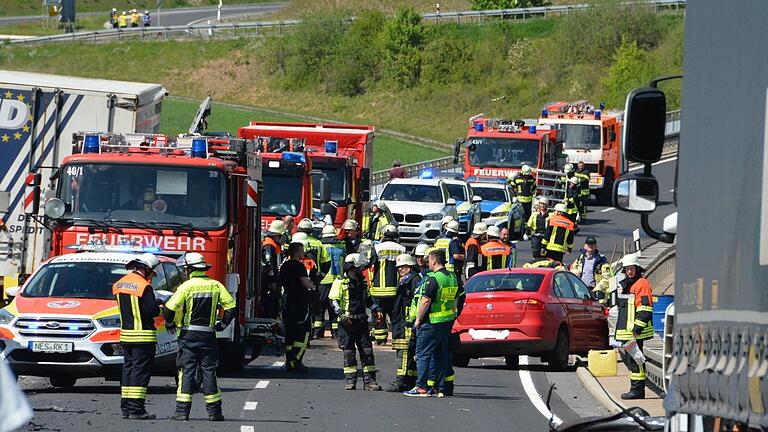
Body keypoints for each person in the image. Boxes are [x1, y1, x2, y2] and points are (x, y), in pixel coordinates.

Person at [164, 253, 236, 422]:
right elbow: (231, 307)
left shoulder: (186, 287)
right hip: (209, 335)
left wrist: (169, 324)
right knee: (209, 371)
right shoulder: (216, 285)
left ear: (189, 269)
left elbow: (169, 309)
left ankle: (182, 412)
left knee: (187, 371)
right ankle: (215, 413)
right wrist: (223, 325)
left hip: (188, 335)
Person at [404, 250, 462, 398]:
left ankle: (421, 386)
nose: (427, 263)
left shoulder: (434, 279)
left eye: (429, 260)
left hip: (432, 321)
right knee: (441, 355)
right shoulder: (453, 277)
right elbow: (457, 298)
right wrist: (454, 315)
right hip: (447, 321)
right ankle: (440, 387)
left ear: (434, 261)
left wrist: (417, 320)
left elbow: (426, 300)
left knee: (422, 354)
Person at [112, 253, 161, 420]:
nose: (151, 277)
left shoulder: (119, 284)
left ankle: (126, 407)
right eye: (152, 273)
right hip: (143, 337)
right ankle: (136, 409)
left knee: (128, 370)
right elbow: (151, 311)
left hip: (126, 336)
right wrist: (160, 307)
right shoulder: (144, 286)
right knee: (140, 372)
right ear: (147, 269)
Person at [329, 253, 383, 391]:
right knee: (348, 352)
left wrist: (376, 309)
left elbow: (369, 299)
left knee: (367, 351)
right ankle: (350, 381)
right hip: (347, 322)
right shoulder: (340, 281)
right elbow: (333, 300)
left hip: (361, 321)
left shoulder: (362, 282)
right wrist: (341, 315)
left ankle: (370, 382)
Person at [615, 254, 654, 400]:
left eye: (632, 269)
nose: (630, 272)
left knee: (636, 360)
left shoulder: (641, 284)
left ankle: (637, 391)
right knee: (632, 360)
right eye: (627, 269)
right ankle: (636, 389)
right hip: (629, 332)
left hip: (636, 332)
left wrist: (637, 329)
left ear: (637, 269)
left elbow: (645, 309)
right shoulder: (629, 284)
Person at [386, 253, 423, 392]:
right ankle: (410, 380)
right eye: (399, 267)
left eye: (403, 267)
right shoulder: (405, 280)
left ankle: (401, 380)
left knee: (404, 352)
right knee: (406, 351)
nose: (400, 270)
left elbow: (416, 301)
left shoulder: (414, 280)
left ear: (410, 267)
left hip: (406, 322)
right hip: (401, 321)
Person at [280, 240, 316, 372]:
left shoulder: (284, 266)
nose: (304, 253)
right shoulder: (298, 266)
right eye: (302, 251)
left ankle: (290, 360)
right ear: (296, 252)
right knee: (302, 333)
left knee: (290, 332)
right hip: (299, 302)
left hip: (287, 301)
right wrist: (313, 285)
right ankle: (297, 361)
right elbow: (305, 283)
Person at [369, 224, 406, 345]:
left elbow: (370, 263)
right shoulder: (402, 249)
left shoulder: (377, 248)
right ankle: (398, 340)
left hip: (378, 290)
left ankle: (380, 340)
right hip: (395, 290)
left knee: (379, 315)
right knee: (396, 317)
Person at [315, 225, 346, 338]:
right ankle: (336, 332)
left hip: (323, 281)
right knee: (335, 307)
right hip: (337, 281)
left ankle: (318, 331)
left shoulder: (321, 246)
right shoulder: (341, 247)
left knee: (320, 307)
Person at [262, 220, 285, 319]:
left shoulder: (272, 243)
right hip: (269, 282)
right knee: (270, 303)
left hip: (273, 279)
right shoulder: (269, 245)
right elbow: (269, 264)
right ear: (277, 235)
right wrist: (272, 281)